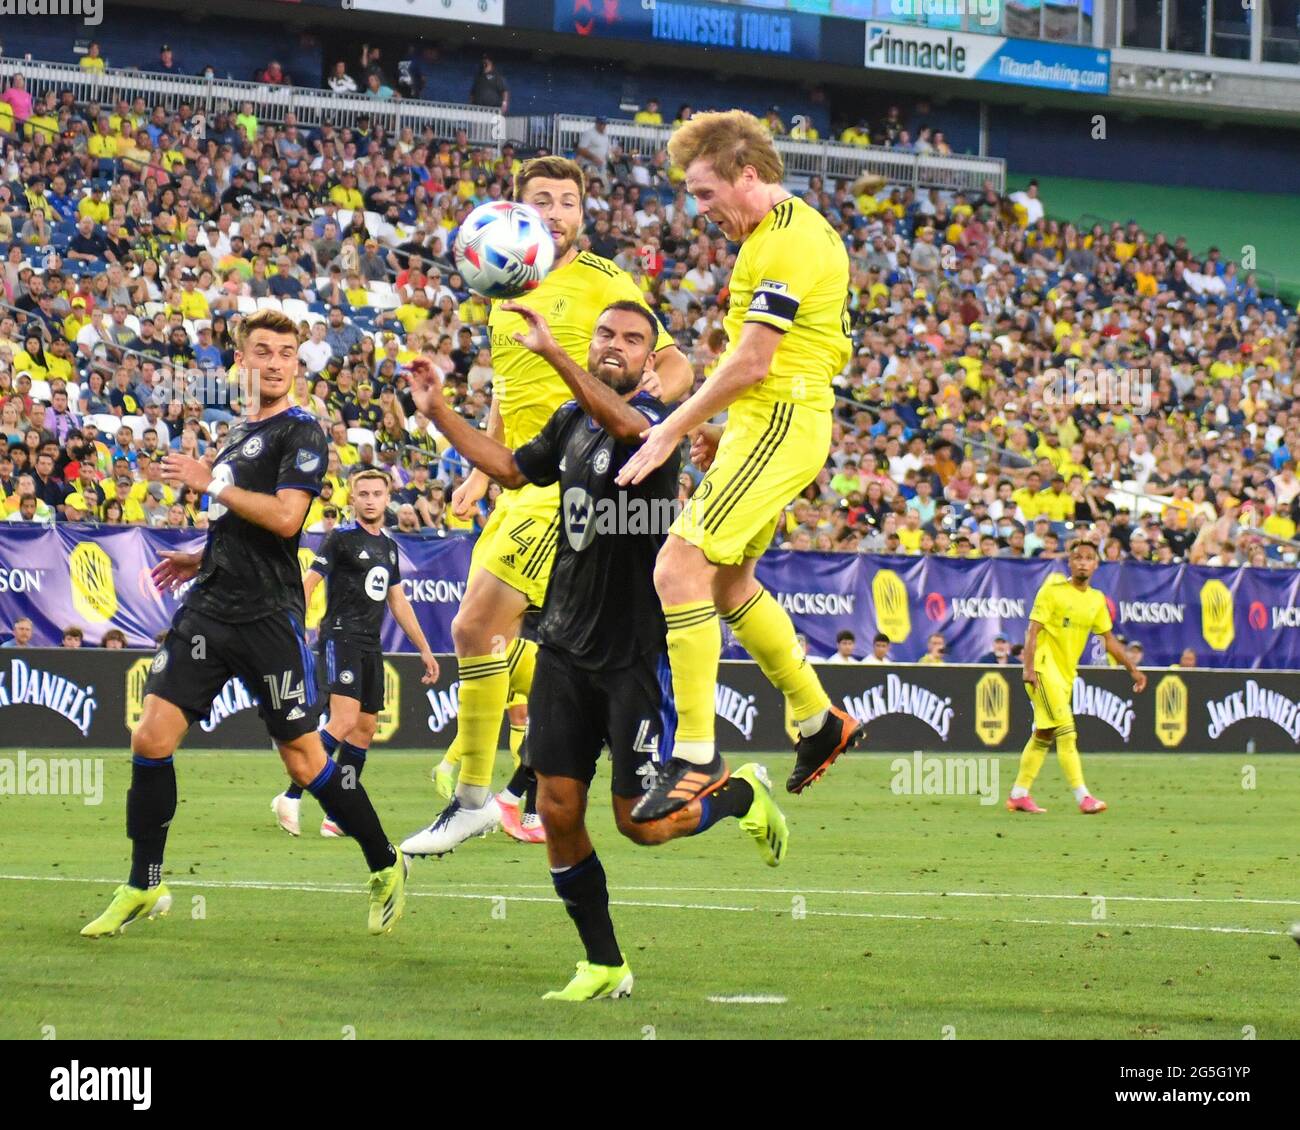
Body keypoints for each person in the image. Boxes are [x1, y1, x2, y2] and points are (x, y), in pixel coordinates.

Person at [402, 307, 787, 1001]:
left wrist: (553, 355)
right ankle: (605, 963)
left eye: (633, 339)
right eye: (605, 335)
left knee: (642, 825)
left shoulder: (661, 424)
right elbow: (510, 470)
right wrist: (437, 412)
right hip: (564, 647)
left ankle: (740, 796)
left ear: (650, 361)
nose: (617, 346)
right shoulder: (569, 421)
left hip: (637, 655)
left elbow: (626, 427)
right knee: (555, 808)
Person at [81, 310, 407, 939]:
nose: (279, 361)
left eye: (288, 352)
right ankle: (143, 883)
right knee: (150, 739)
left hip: (268, 617)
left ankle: (384, 861)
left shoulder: (303, 433)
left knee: (305, 761)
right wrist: (199, 553)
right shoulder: (236, 435)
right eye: (264, 350)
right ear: (241, 362)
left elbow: (286, 520)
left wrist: (212, 485)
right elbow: (242, 525)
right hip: (208, 607)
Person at [410, 156, 693, 858]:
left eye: (569, 201)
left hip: (574, 488)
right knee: (513, 640)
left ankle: (475, 795)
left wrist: (658, 403)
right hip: (523, 481)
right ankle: (515, 783)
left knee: (478, 626)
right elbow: (512, 390)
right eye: (544, 200)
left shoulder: (604, 283)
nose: (559, 211)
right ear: (520, 213)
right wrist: (483, 472)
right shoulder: (503, 287)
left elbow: (674, 360)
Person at [615, 109, 862, 818]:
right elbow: (780, 359)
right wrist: (730, 428)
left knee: (676, 569)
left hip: (781, 420)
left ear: (747, 173)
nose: (699, 210)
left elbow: (755, 361)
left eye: (703, 192)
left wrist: (672, 430)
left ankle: (695, 755)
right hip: (774, 421)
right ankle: (819, 720)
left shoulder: (785, 242)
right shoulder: (779, 235)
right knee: (726, 584)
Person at [272, 469, 440, 838]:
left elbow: (398, 602)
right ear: (352, 498)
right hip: (340, 638)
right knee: (344, 721)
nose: (369, 499)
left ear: (387, 498)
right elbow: (309, 583)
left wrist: (425, 648)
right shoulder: (340, 539)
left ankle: (337, 814)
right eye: (362, 493)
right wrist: (295, 623)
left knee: (364, 730)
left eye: (376, 493)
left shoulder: (389, 547)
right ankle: (291, 795)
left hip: (370, 643)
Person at [1010, 540, 1147, 815]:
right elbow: (1033, 631)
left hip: (1064, 675)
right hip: (1042, 669)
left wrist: (1133, 669)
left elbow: (1108, 640)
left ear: (1096, 564)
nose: (1083, 562)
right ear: (1069, 563)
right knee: (1067, 732)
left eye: (1088, 558)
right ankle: (1083, 797)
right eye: (1078, 558)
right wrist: (1027, 668)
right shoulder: (1052, 592)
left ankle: (1019, 794)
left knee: (1044, 734)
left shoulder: (1096, 600)